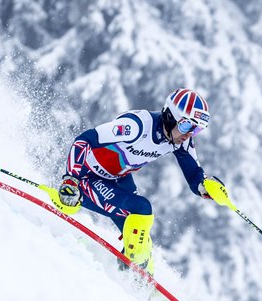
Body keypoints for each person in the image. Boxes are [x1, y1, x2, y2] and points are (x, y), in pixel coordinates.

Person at [57, 88, 227, 275]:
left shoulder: (179, 140)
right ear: (170, 116)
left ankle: (143, 282)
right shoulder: (136, 126)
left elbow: (194, 173)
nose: (189, 134)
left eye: (197, 129)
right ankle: (70, 202)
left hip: (117, 178)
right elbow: (85, 140)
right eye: (187, 126)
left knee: (142, 240)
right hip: (87, 177)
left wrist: (204, 187)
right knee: (142, 208)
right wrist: (71, 179)